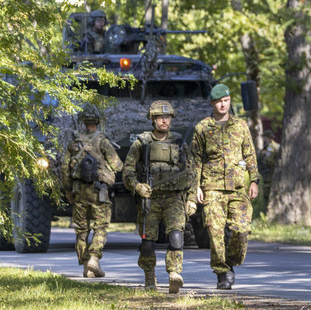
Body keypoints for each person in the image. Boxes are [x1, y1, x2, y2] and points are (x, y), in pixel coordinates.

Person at [190, 83, 261, 290]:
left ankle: (231, 261)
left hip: (238, 187)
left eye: (226, 101)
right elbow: (195, 160)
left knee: (241, 230)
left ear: (230, 101)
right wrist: (196, 186)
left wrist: (254, 180)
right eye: (219, 101)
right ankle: (222, 272)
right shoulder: (202, 127)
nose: (223, 105)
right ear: (212, 103)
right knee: (215, 232)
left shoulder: (240, 126)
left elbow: (250, 154)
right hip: (212, 188)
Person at [122, 100, 193, 293]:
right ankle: (149, 277)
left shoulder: (179, 142)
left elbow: (191, 172)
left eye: (167, 117)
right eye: (160, 118)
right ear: (152, 120)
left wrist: (192, 198)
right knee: (147, 243)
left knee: (176, 236)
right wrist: (137, 186)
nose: (164, 121)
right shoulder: (142, 143)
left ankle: (174, 273)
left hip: (174, 198)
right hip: (150, 199)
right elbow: (127, 171)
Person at [61, 105, 123, 278]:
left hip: (79, 191)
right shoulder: (103, 141)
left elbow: (65, 169)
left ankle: (85, 265)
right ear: (97, 122)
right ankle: (94, 259)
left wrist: (68, 192)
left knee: (81, 230)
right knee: (100, 227)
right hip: (99, 192)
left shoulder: (74, 144)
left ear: (84, 122)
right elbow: (118, 165)